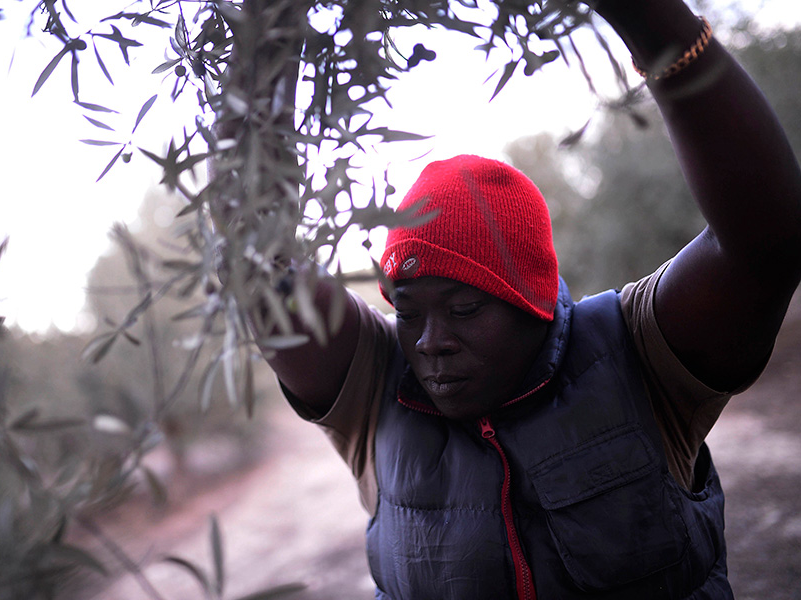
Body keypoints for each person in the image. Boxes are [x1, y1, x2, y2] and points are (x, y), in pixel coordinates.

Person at [257, 0, 801, 597]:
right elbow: (255, 261)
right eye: (407, 313)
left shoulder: (636, 356)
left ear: (531, 301)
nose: (430, 342)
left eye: (464, 309)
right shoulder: (375, 391)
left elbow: (764, 242)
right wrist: (267, 39)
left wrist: (653, 22)